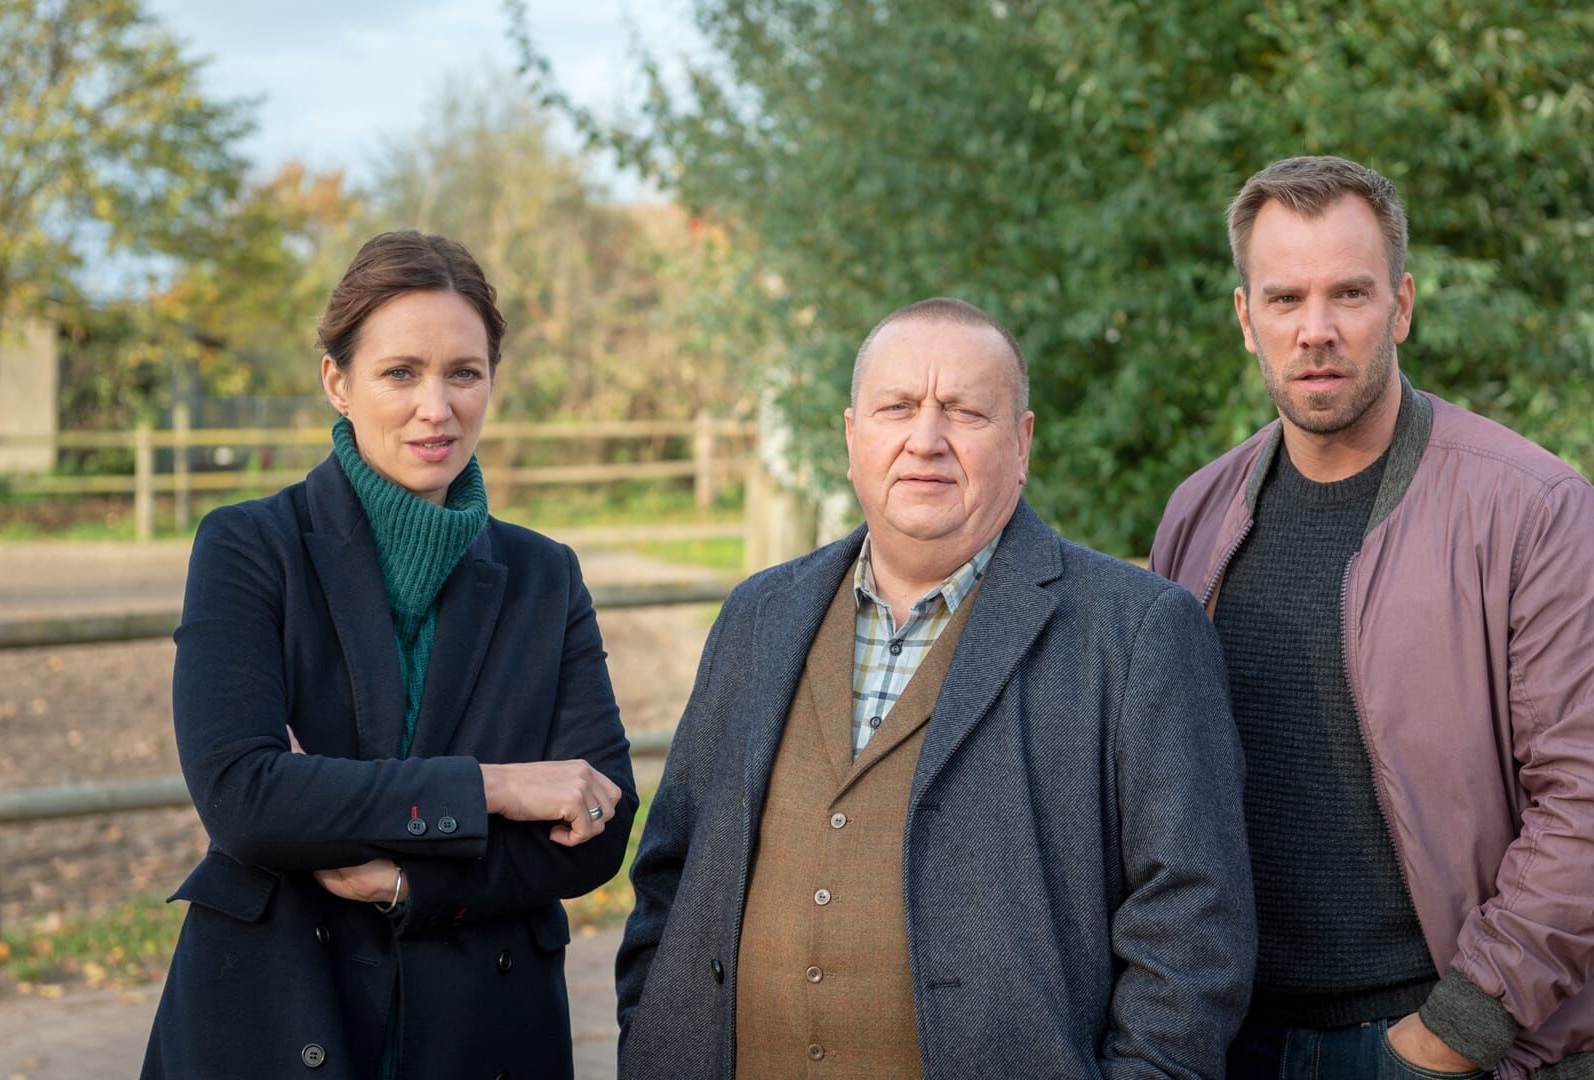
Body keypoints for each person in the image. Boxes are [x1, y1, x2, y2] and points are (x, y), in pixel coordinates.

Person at [614, 297, 1254, 1079]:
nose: (925, 439)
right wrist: (655, 1037)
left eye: (963, 411)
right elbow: (670, 873)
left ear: (1021, 443)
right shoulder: (759, 614)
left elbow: (1192, 925)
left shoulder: (1136, 631)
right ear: (852, 438)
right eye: (897, 408)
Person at [1151, 156, 1594, 1079]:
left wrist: (1457, 1032)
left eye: (1350, 294)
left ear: (1401, 306)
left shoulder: (1534, 512)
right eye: (1284, 299)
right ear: (1245, 319)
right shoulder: (1197, 520)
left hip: (1465, 1044)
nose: (1316, 330)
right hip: (1244, 1042)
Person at [142, 230, 635, 1080]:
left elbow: (597, 829)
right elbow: (245, 797)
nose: (435, 408)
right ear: (337, 381)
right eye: (401, 373)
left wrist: (407, 882)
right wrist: (497, 788)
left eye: (463, 373)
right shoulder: (249, 548)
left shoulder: (544, 576)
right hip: (276, 1014)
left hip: (483, 1030)